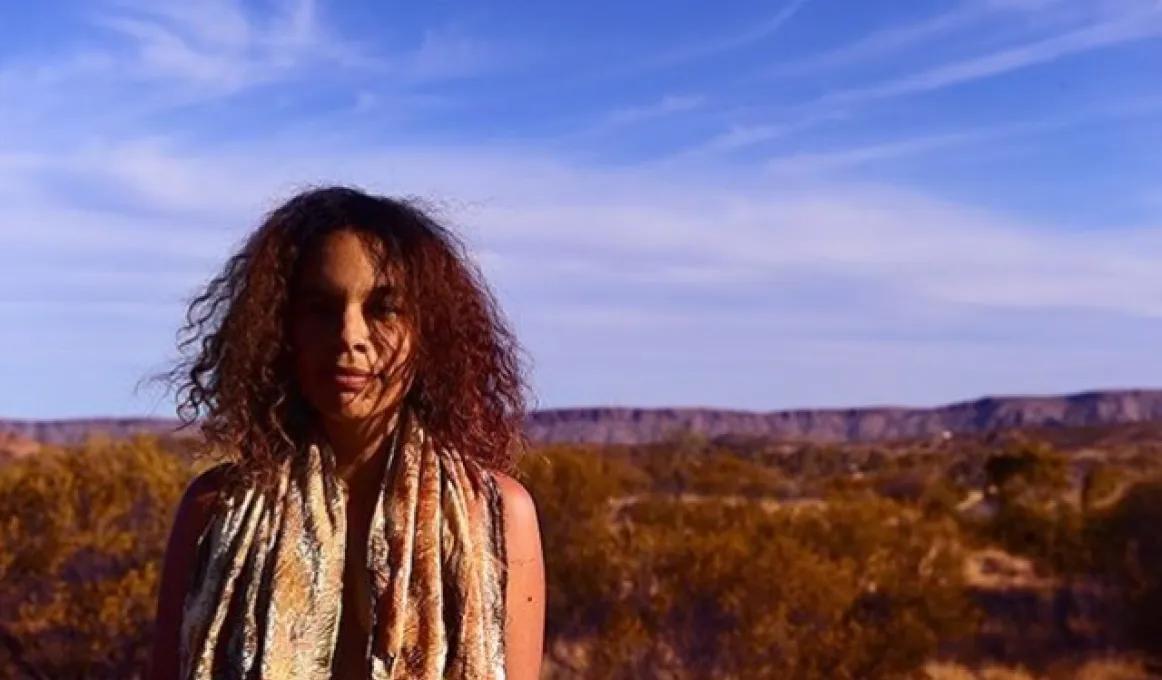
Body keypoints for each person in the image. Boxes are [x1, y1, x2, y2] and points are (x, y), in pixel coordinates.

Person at [147, 186, 545, 680]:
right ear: (281, 330)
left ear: (430, 335)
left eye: (384, 308)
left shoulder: (500, 515)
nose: (349, 336)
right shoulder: (214, 510)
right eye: (320, 308)